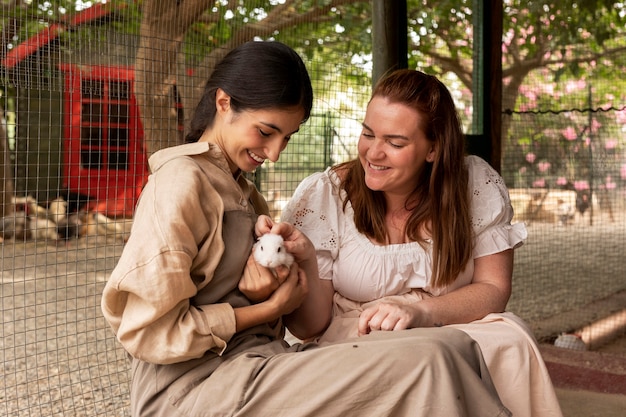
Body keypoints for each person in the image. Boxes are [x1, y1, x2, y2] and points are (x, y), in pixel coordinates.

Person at [101, 42, 512, 416]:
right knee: (429, 361)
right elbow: (147, 332)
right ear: (223, 103)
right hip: (194, 388)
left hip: (261, 364)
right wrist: (268, 309)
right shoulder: (179, 182)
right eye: (266, 132)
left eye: (287, 137)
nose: (275, 153)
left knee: (452, 346)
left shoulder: (244, 193)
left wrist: (269, 285)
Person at [280, 69, 564, 417]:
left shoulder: (473, 182)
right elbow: (309, 327)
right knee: (417, 358)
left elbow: (493, 288)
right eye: (368, 133)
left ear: (433, 149)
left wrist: (421, 312)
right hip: (359, 332)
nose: (374, 152)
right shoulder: (327, 193)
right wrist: (306, 260)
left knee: (512, 341)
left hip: (450, 320)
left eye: (395, 143)